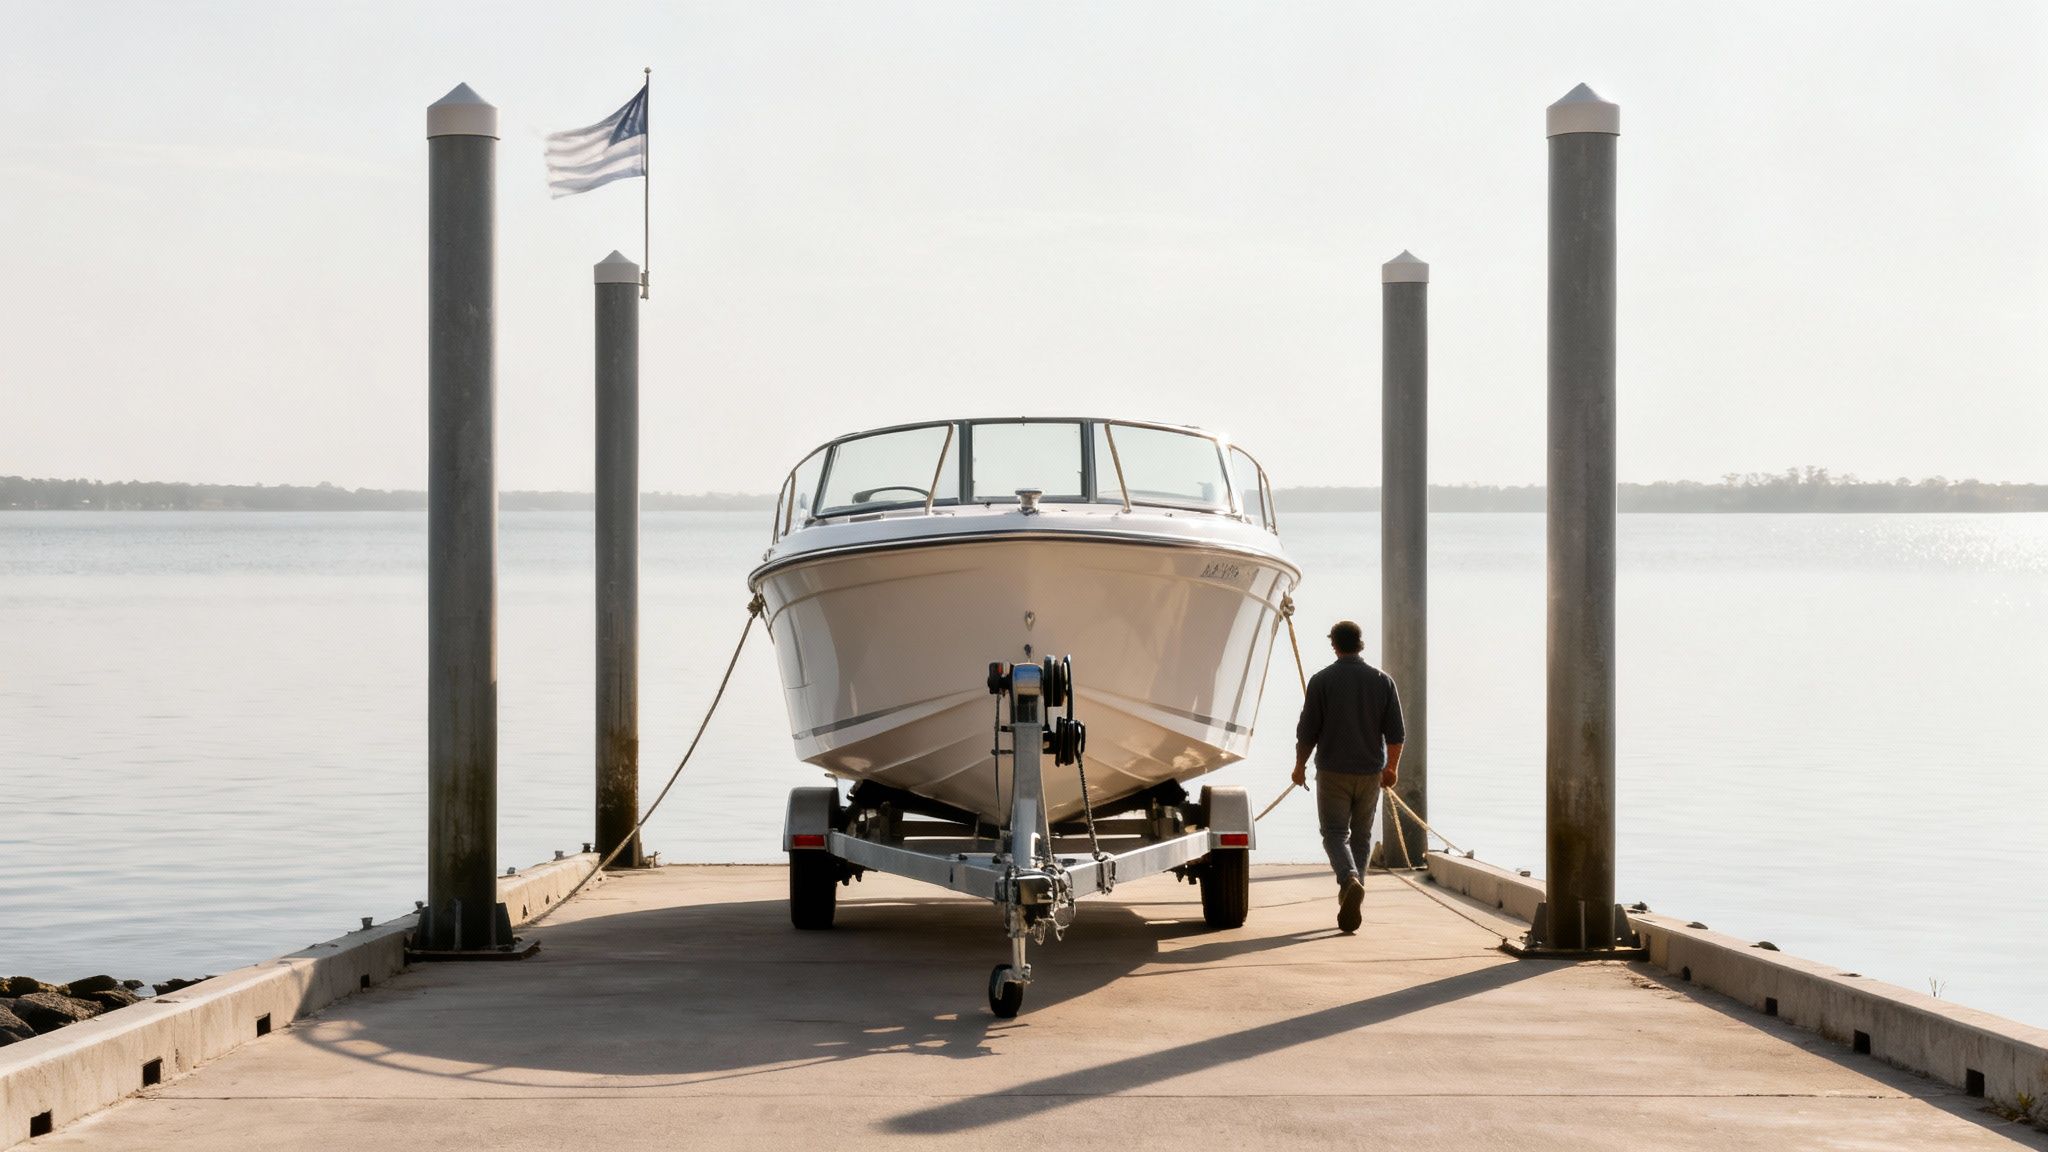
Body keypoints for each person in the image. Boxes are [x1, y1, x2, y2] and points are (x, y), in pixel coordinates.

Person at [1292, 619, 1405, 934]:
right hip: (1370, 773)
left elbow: (1307, 732)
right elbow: (1396, 734)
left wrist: (1299, 766)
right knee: (1361, 837)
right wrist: (1391, 768)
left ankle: (1349, 880)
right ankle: (1352, 892)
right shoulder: (1383, 681)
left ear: (1334, 645)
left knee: (1334, 833)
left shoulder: (1321, 681)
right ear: (1361, 644)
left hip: (1332, 772)